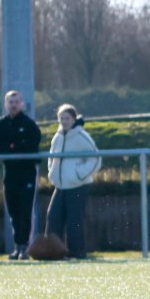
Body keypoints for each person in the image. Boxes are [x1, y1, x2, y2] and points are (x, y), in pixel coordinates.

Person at [44, 104, 101, 259]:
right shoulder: (57, 137)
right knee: (53, 216)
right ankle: (54, 252)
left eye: (67, 118)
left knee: (74, 221)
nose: (64, 121)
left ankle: (77, 253)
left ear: (74, 119)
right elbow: (52, 157)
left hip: (77, 185)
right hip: (61, 185)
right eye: (61, 118)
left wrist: (78, 174)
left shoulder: (81, 136)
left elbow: (95, 158)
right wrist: (53, 174)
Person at [0, 90, 42, 261]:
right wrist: (15, 146)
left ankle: (25, 247)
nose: (13, 105)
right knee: (13, 210)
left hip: (27, 173)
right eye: (10, 102)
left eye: (16, 102)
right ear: (5, 104)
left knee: (25, 210)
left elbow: (31, 146)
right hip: (11, 173)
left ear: (21, 104)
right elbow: (0, 148)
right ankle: (17, 246)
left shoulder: (29, 125)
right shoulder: (0, 125)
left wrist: (14, 146)